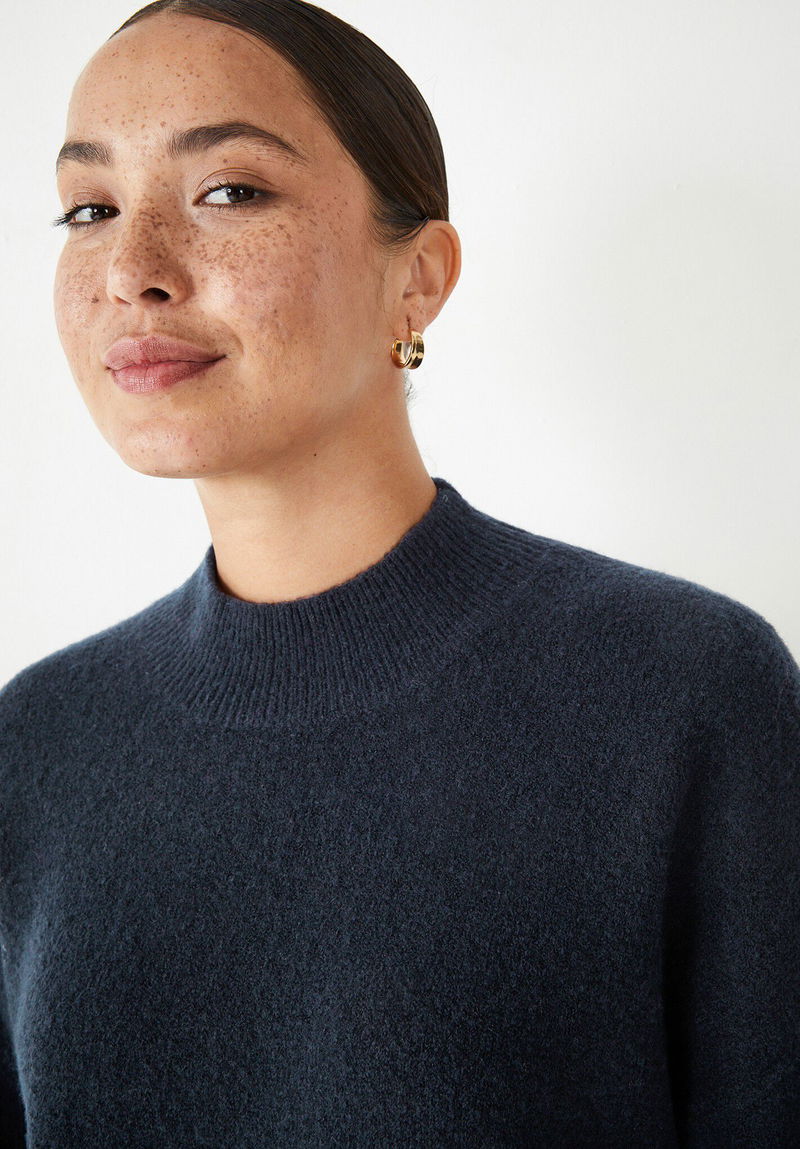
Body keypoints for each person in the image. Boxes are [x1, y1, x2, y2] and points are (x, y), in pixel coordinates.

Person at [0, 0, 797, 1144]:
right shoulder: (36, 746)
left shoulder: (678, 692)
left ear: (416, 278)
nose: (132, 270)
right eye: (90, 208)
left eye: (229, 191)